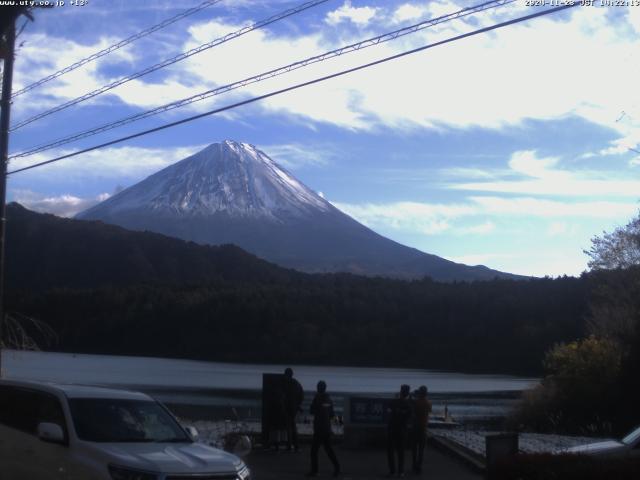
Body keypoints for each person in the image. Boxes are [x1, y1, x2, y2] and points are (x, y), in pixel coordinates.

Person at [307, 380, 340, 477]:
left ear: (318, 388)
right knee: (328, 449)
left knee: (314, 451)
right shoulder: (329, 399)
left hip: (319, 428)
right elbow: (332, 414)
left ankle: (315, 471)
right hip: (326, 428)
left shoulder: (317, 398)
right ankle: (337, 467)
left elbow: (312, 411)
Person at [387, 384, 412, 477]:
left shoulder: (393, 402)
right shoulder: (408, 405)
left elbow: (389, 408)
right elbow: (410, 417)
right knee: (401, 451)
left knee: (390, 450)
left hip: (392, 429)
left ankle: (392, 471)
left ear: (400, 392)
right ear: (407, 393)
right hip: (402, 430)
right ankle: (400, 471)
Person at [410, 385, 432, 474]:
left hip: (415, 427)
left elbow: (411, 405)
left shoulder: (415, 402)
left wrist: (413, 397)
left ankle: (414, 464)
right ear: (426, 393)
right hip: (423, 428)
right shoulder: (428, 403)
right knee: (421, 449)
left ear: (419, 393)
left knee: (414, 448)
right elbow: (429, 410)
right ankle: (419, 466)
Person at [283, 367, 304, 452]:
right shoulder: (297, 383)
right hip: (294, 408)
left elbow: (283, 396)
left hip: (288, 408)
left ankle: (290, 445)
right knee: (293, 426)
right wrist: (298, 405)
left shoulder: (285, 383)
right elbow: (302, 395)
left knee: (289, 427)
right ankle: (296, 446)